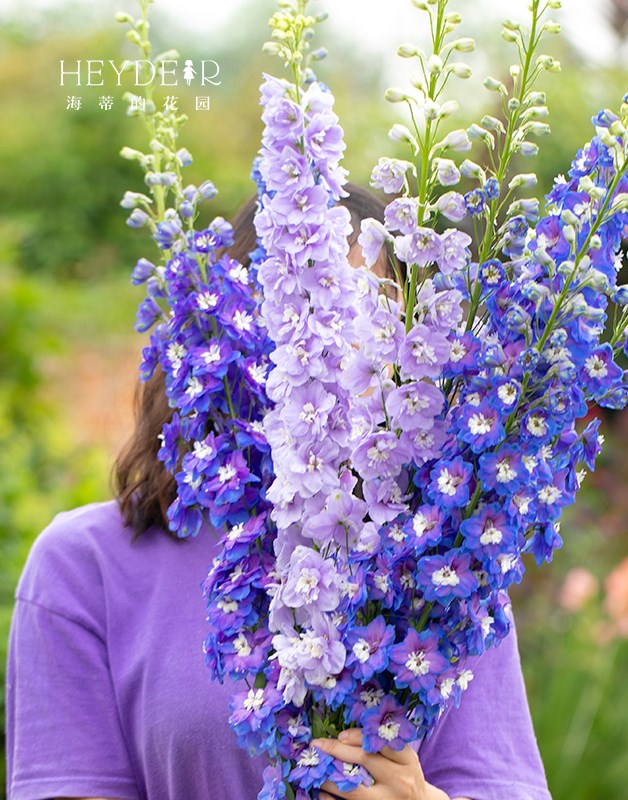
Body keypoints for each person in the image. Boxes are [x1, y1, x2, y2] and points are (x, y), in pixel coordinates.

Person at [5, 185, 553, 800]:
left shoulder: (448, 568)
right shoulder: (84, 569)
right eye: (315, 312)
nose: (338, 354)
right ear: (233, 331)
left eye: (377, 318)